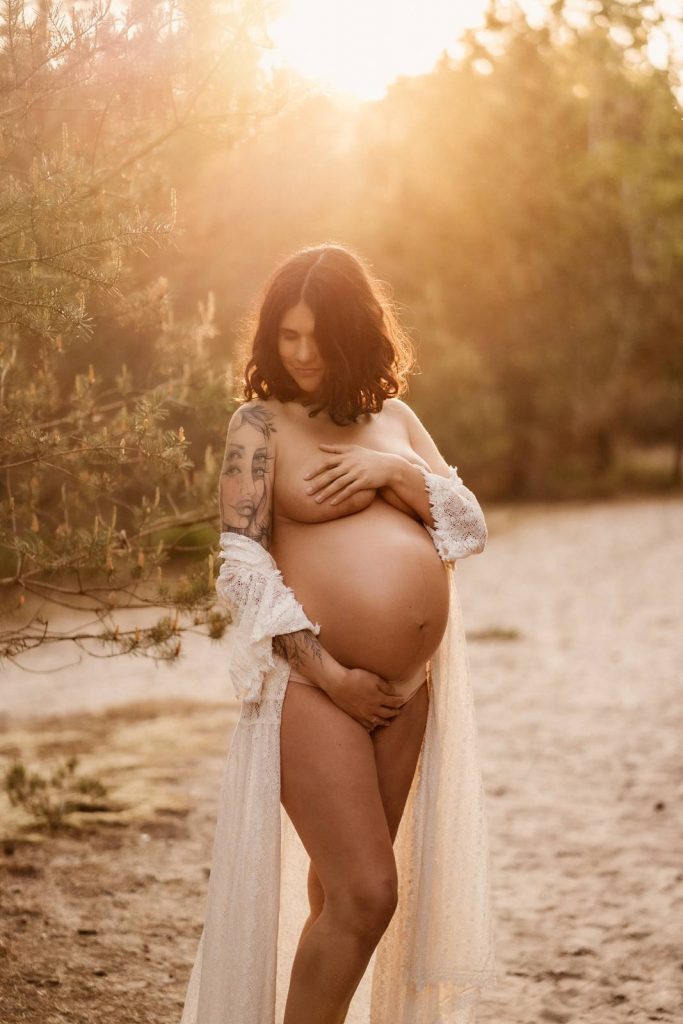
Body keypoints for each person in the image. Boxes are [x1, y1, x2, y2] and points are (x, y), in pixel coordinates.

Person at [180, 243, 498, 1024]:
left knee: (339, 895)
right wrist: (329, 675)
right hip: (314, 687)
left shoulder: (396, 421)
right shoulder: (257, 426)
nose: (300, 354)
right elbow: (242, 565)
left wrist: (393, 474)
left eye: (317, 337)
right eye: (286, 336)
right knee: (368, 893)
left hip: (403, 692)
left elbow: (466, 526)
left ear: (353, 333)